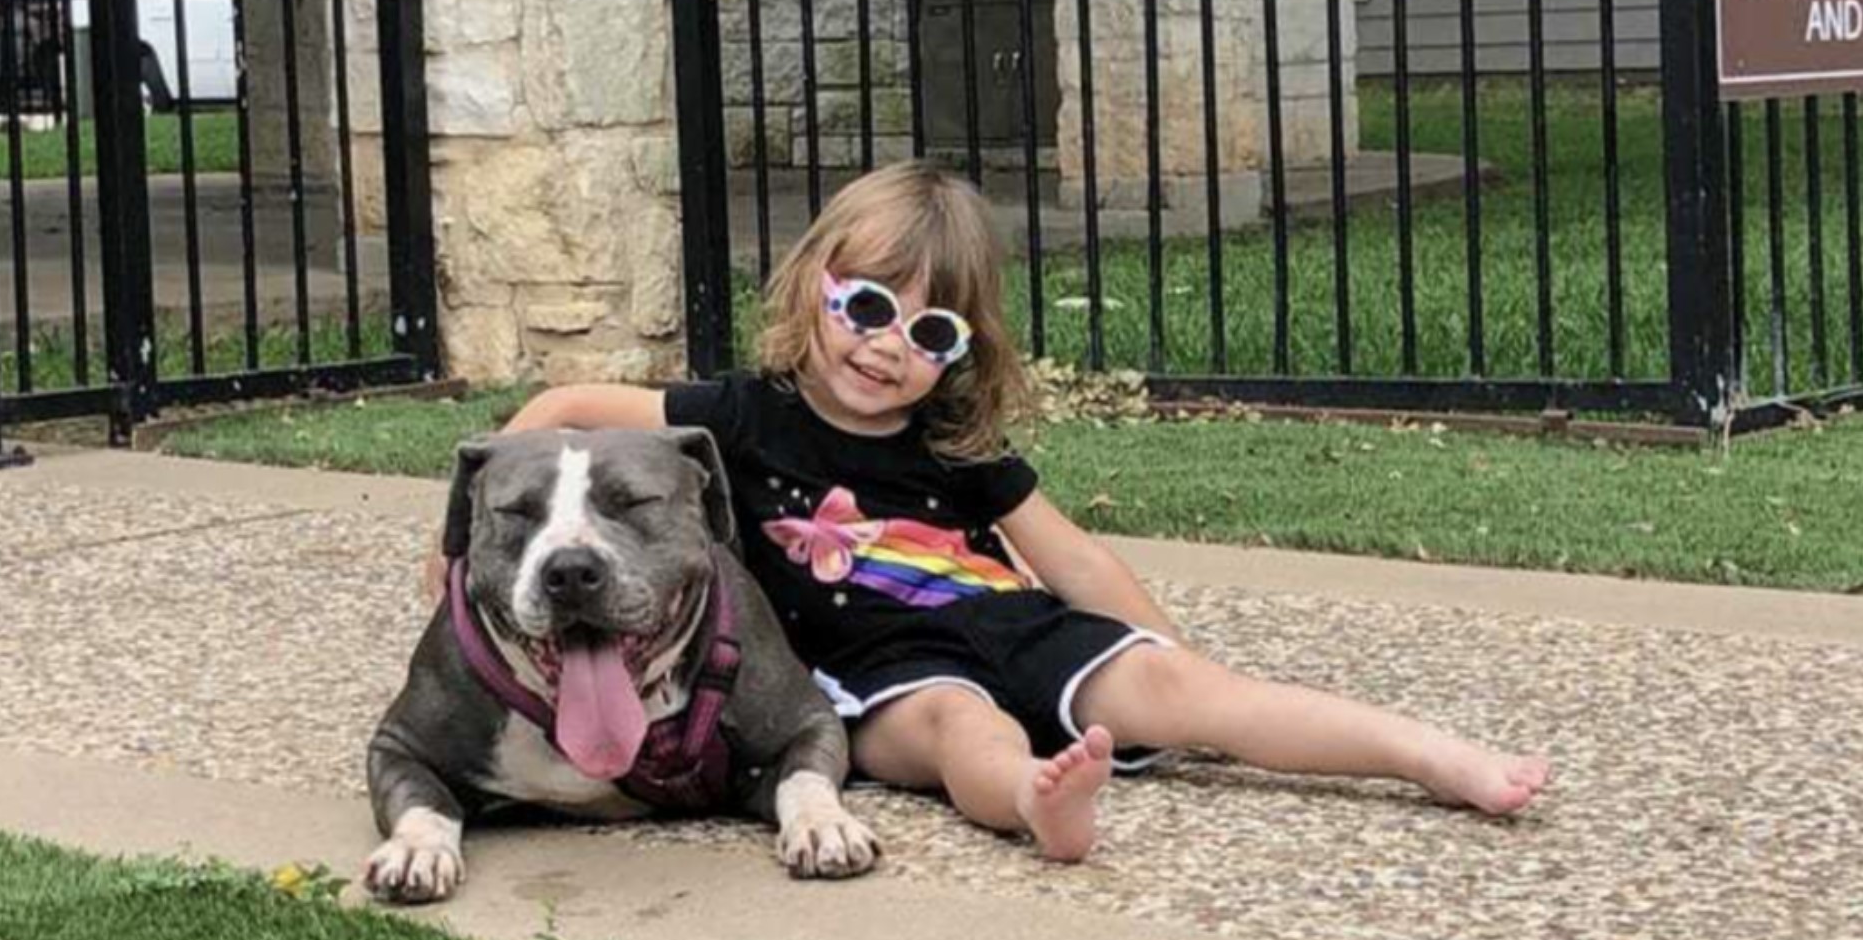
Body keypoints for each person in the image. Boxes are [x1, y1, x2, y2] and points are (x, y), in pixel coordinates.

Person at [475, 161, 1549, 861]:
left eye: (930, 331)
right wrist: (464, 541)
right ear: (812, 288)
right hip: (879, 674)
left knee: (1191, 692)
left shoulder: (958, 446)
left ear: (961, 353)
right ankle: (1042, 804)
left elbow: (1070, 560)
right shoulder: (741, 417)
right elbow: (568, 405)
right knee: (962, 731)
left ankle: (1420, 753)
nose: (887, 344)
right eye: (864, 306)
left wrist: (1170, 652)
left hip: (1016, 627)